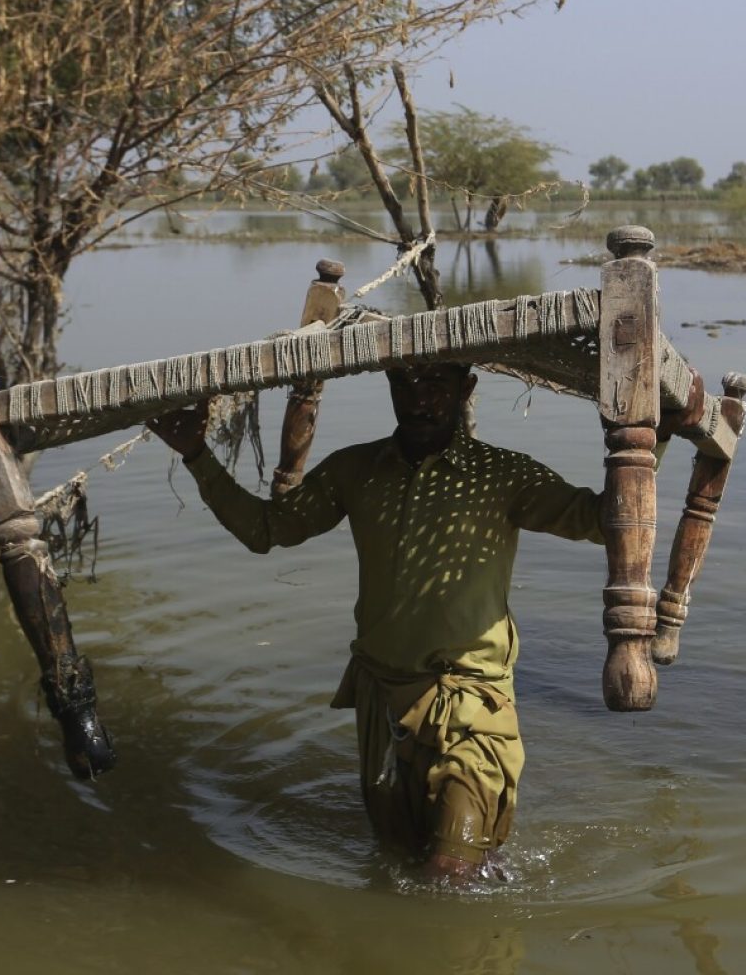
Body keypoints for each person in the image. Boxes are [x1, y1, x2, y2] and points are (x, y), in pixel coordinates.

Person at [149, 363, 603, 880]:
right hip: (381, 703)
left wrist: (648, 444)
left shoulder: (502, 475)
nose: (419, 400)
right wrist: (195, 454)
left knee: (450, 869)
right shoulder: (356, 470)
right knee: (397, 864)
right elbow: (266, 529)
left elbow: (602, 519)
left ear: (465, 389)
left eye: (435, 385)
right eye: (404, 385)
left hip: (471, 704)